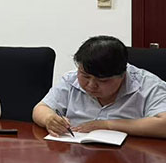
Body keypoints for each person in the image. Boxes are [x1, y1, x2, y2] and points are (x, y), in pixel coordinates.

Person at [33, 35, 166, 138]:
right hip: (76, 153)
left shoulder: (148, 85)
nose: (91, 85)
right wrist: (49, 119)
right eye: (85, 76)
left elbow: (163, 125)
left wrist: (107, 125)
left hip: (129, 156)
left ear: (123, 74)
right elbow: (41, 108)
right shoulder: (70, 79)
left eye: (102, 81)